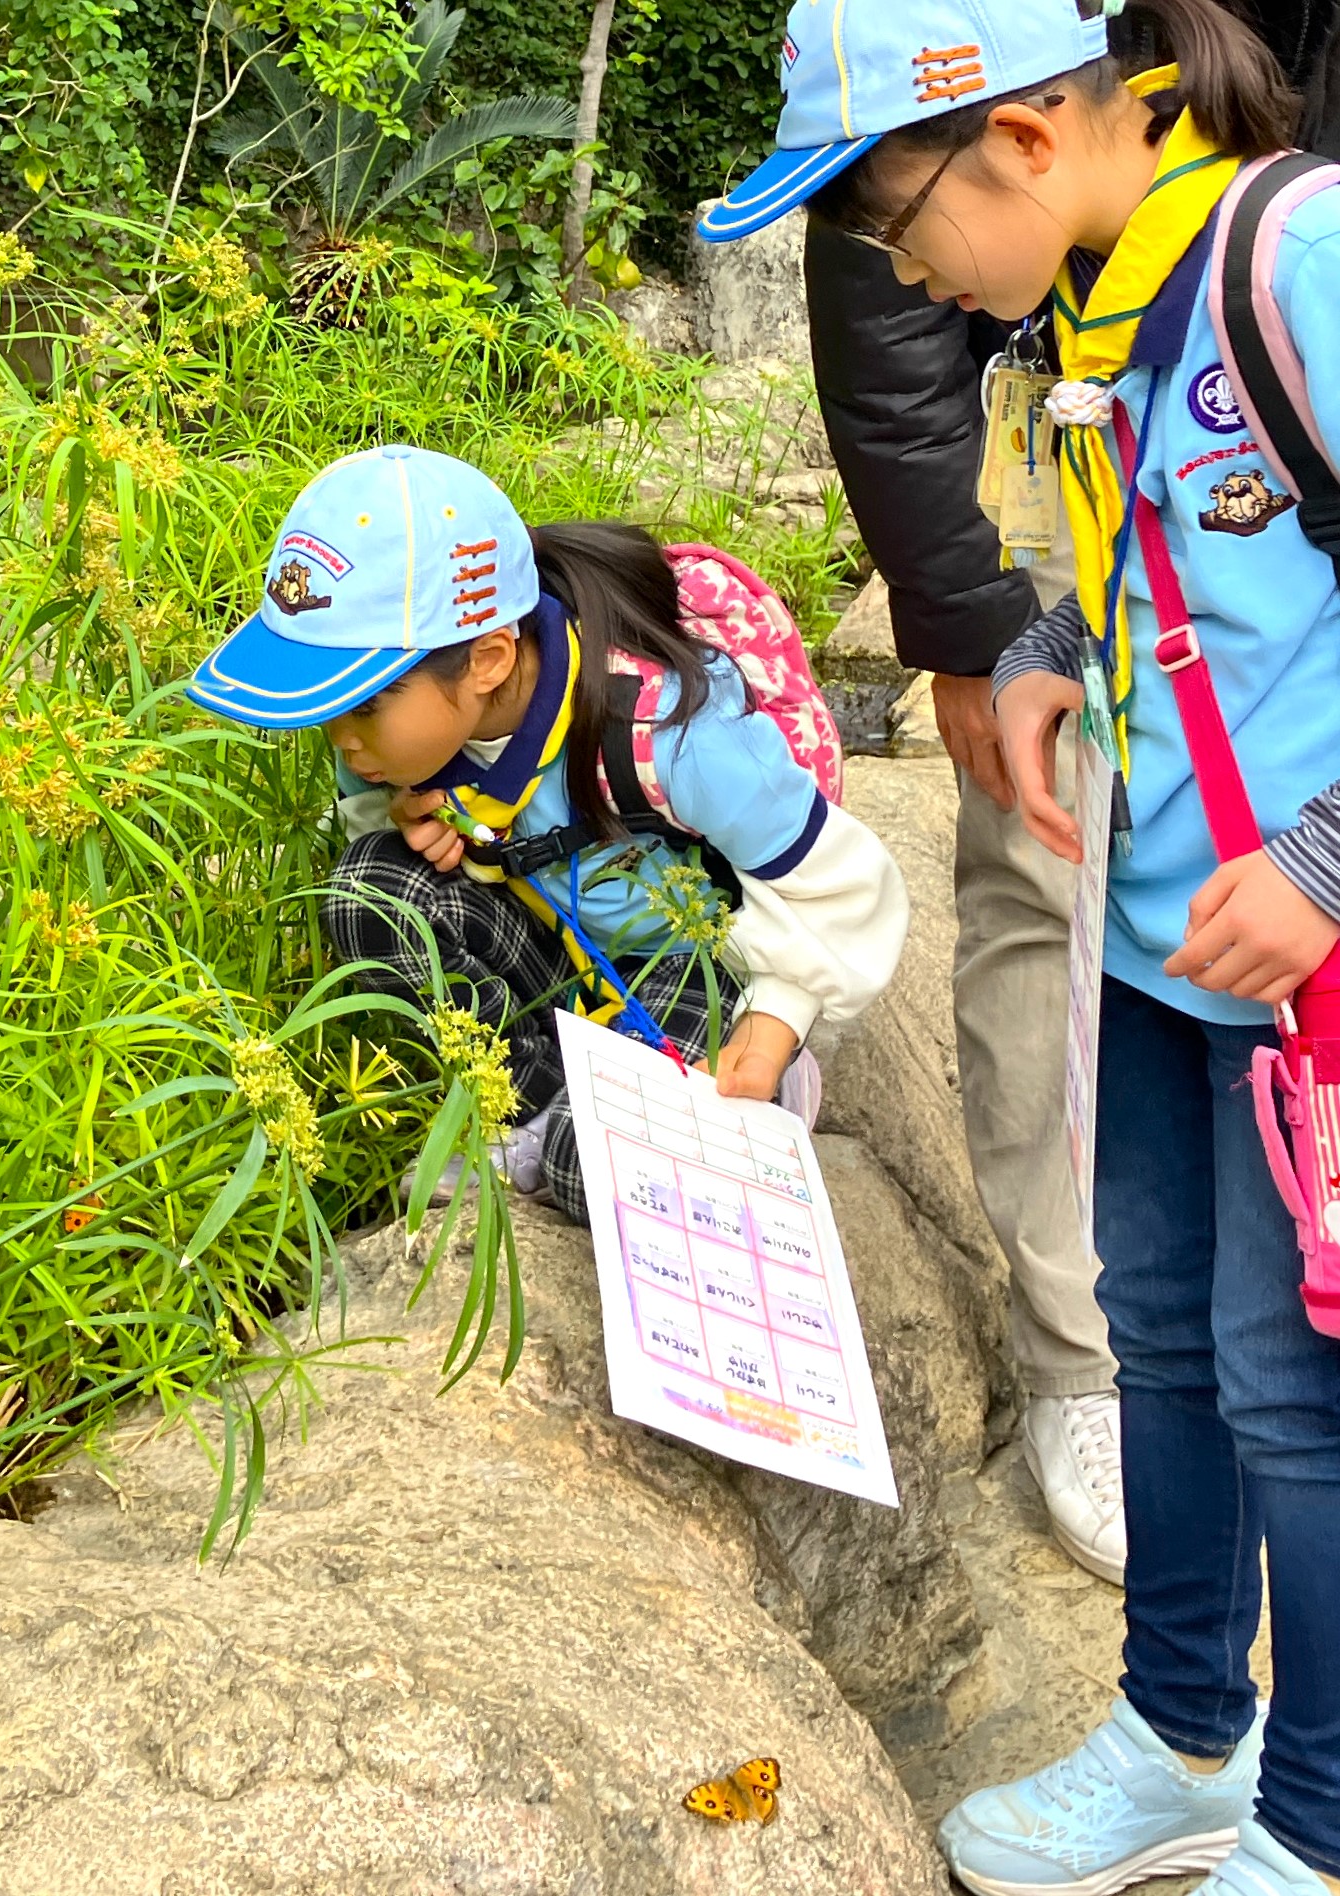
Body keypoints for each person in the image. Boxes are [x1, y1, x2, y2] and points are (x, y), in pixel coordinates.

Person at [704, 2, 1340, 1893]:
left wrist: (1322, 860)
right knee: (1151, 1334)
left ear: (1023, 144)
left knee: (1284, 1381)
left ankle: (1308, 1821)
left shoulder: (1286, 260)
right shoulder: (1090, 313)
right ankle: (1175, 1736)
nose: (901, 270)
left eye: (897, 222)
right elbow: (1166, 575)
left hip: (1290, 967)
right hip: (1146, 941)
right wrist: (1056, 658)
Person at [184, 445, 909, 1217]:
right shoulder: (398, 741)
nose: (341, 738)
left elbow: (845, 884)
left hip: (694, 954)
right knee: (371, 892)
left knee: (586, 1168)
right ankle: (538, 1104)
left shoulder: (671, 734)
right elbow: (381, 836)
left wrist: (776, 1019)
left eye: (362, 704)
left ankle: (699, 1098)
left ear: (490, 658)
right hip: (557, 945)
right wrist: (407, 822)